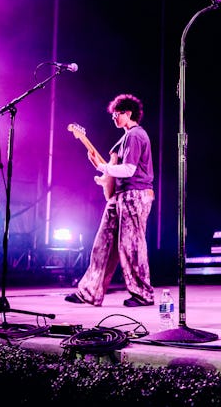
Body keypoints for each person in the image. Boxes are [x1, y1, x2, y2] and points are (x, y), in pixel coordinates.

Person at [65, 93, 156, 307]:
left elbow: (129, 169)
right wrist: (104, 175)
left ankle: (143, 294)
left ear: (128, 113)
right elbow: (114, 173)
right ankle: (89, 292)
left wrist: (102, 167)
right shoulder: (123, 139)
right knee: (102, 244)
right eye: (113, 114)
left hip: (135, 194)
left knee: (131, 245)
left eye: (117, 113)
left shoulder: (136, 135)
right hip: (121, 195)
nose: (114, 117)